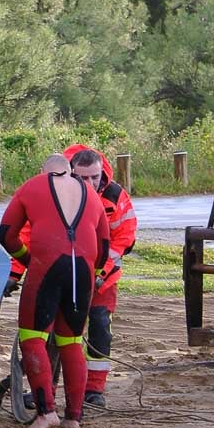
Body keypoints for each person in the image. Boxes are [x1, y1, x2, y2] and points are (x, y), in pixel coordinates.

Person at [0, 154, 110, 428]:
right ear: (70, 171)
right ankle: (74, 417)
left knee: (33, 338)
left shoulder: (33, 185)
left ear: (43, 171)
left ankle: (46, 413)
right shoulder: (91, 194)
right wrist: (90, 270)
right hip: (83, 272)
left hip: (47, 266)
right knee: (71, 341)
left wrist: (27, 259)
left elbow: (6, 234)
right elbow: (105, 245)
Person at [66, 145, 138, 408]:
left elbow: (125, 237)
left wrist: (101, 272)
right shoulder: (58, 191)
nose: (89, 183)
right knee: (53, 333)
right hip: (66, 278)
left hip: (102, 282)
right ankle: (46, 387)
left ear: (101, 173)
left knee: (100, 330)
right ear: (72, 173)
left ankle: (94, 389)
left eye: (94, 178)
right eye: (82, 178)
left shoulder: (116, 195)